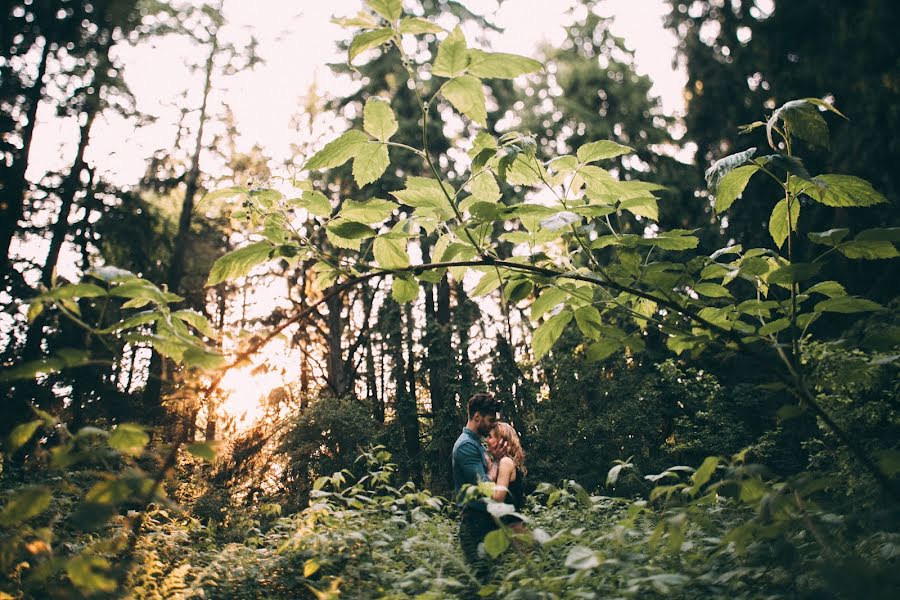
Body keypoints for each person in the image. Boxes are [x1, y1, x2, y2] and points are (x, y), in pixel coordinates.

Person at [451, 392, 501, 580]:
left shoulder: (475, 444)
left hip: (483, 523)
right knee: (481, 584)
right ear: (477, 416)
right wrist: (497, 464)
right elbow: (486, 487)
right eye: (490, 420)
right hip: (474, 526)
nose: (492, 425)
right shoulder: (466, 446)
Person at [486, 421, 527, 533]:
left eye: (490, 437)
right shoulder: (507, 462)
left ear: (500, 440)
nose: (486, 440)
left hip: (514, 530)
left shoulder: (505, 462)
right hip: (511, 528)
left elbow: (498, 499)